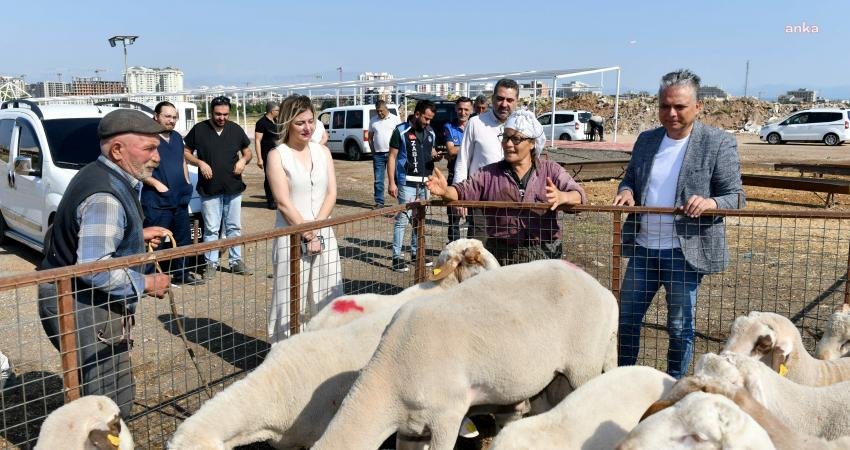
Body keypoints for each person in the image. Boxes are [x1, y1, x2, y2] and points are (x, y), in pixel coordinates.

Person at [37, 109, 172, 416]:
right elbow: (95, 269)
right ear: (117, 150)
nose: (157, 158)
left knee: (102, 386)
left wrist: (134, 235)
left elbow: (80, 235)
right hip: (82, 302)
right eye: (149, 149)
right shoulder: (105, 195)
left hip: (78, 297)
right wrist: (146, 283)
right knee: (107, 396)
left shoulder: (99, 174)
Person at [613, 69, 745, 379]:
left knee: (679, 326)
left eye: (680, 106)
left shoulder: (717, 143)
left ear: (698, 107)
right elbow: (630, 179)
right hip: (644, 248)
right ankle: (624, 381)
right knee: (627, 320)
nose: (671, 113)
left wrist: (711, 203)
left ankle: (674, 385)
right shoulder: (647, 140)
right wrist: (627, 191)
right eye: (665, 106)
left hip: (683, 253)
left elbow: (736, 197)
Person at [427, 109, 586, 265]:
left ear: (532, 143)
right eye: (505, 137)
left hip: (545, 253)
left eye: (516, 139)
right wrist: (445, 191)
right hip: (501, 255)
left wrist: (562, 197)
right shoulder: (489, 174)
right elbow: (462, 191)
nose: (508, 144)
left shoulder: (550, 170)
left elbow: (578, 195)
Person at [265, 95, 343, 342]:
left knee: (329, 294)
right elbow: (283, 202)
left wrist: (316, 230)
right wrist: (307, 233)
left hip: (323, 232)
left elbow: (331, 193)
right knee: (288, 298)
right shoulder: (277, 155)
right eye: (300, 123)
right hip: (290, 235)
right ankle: (283, 351)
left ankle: (328, 347)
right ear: (287, 123)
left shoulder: (323, 152)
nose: (307, 128)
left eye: (311, 121)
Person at [184, 96, 253, 278]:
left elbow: (248, 152)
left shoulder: (235, 129)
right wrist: (200, 163)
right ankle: (211, 264)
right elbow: (186, 152)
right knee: (211, 229)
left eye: (225, 114)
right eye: (218, 114)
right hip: (210, 189)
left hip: (233, 186)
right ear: (211, 112)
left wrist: (243, 161)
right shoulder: (199, 129)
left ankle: (235, 261)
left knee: (234, 227)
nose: (222, 118)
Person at [140, 101, 204, 286]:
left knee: (182, 240)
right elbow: (139, 168)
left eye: (174, 117)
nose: (171, 120)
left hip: (179, 198)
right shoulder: (148, 139)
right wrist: (156, 184)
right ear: (156, 116)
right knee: (155, 241)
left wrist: (186, 181)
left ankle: (182, 274)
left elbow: (182, 160)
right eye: (167, 116)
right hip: (157, 201)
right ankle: (148, 279)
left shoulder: (176, 137)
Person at [454, 79, 519, 242]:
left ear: (516, 101)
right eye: (500, 99)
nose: (504, 104)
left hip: (513, 199)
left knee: (508, 247)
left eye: (510, 100)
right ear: (493, 99)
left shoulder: (522, 125)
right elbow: (463, 160)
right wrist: (459, 196)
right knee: (477, 248)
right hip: (480, 200)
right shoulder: (476, 123)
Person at [387, 100, 440, 272]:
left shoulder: (430, 132)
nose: (428, 122)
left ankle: (417, 253)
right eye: (426, 118)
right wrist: (392, 182)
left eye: (431, 119)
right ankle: (396, 258)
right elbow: (392, 157)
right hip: (407, 183)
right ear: (417, 114)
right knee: (403, 220)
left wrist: (436, 156)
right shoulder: (400, 131)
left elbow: (430, 151)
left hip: (425, 183)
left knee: (419, 219)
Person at [442, 97, 473, 243]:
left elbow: (455, 150)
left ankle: (472, 247)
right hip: (454, 175)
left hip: (473, 176)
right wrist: (471, 147)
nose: (463, 112)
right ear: (455, 109)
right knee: (453, 215)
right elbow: (451, 150)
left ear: (471, 110)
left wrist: (457, 149)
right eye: (460, 109)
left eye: (466, 109)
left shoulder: (475, 126)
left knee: (474, 215)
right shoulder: (449, 126)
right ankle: (454, 246)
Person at [368, 99, 401, 209]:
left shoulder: (395, 119)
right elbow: (370, 138)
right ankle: (379, 202)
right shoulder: (373, 120)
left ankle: (401, 200)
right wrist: (373, 151)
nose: (379, 113)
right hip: (378, 155)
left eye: (381, 110)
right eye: (377, 111)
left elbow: (401, 136)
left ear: (386, 108)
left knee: (397, 177)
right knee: (378, 180)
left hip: (393, 154)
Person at [254, 101, 280, 209]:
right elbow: (257, 141)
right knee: (269, 177)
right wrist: (259, 158)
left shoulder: (276, 121)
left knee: (279, 176)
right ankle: (271, 200)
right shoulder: (261, 123)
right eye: (277, 110)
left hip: (278, 153)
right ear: (272, 111)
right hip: (267, 154)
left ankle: (278, 198)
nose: (279, 112)